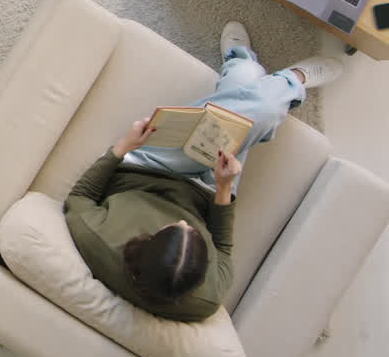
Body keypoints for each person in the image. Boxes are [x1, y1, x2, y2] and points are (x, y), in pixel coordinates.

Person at [63, 21, 344, 321]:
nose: (185, 221)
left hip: (150, 169)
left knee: (255, 100)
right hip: (212, 190)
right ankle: (280, 76)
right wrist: (224, 188)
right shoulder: (205, 301)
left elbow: (81, 195)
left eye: (175, 226)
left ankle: (264, 73)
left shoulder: (96, 239)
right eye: (193, 231)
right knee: (255, 101)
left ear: (142, 242)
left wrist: (124, 145)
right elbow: (222, 249)